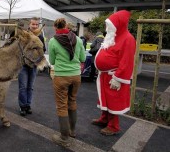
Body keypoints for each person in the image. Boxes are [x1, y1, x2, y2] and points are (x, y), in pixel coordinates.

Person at [92, 10, 136, 136]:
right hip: (105, 75)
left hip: (114, 76)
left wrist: (118, 78)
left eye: (110, 25)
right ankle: (104, 119)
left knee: (113, 102)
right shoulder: (112, 36)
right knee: (105, 99)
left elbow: (127, 61)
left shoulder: (128, 39)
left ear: (119, 25)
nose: (107, 28)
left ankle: (113, 126)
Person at [49, 18, 86, 146]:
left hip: (61, 77)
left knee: (61, 106)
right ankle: (72, 131)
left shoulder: (53, 41)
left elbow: (52, 61)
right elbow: (83, 58)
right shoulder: (79, 40)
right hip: (76, 76)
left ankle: (64, 138)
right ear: (67, 26)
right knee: (72, 101)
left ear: (55, 28)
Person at [18, 17, 46, 116]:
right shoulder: (24, 35)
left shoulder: (41, 37)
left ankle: (28, 105)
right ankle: (22, 106)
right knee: (23, 87)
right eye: (33, 24)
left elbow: (43, 50)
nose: (34, 26)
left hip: (34, 65)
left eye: (36, 24)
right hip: (23, 65)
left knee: (30, 87)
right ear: (29, 24)